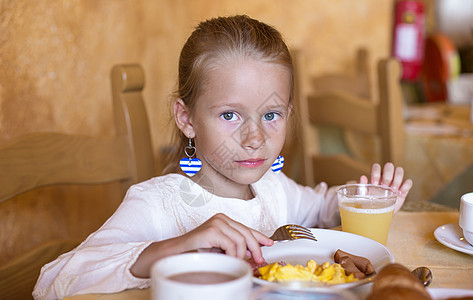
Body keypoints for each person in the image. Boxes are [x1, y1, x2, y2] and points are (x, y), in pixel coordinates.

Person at [33, 15, 412, 299]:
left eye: (271, 115)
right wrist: (177, 246)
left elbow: (322, 209)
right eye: (230, 115)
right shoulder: (159, 204)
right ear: (188, 119)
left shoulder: (274, 189)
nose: (254, 138)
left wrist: (368, 198)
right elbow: (52, 281)